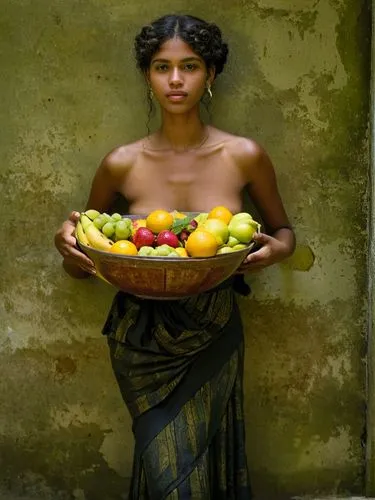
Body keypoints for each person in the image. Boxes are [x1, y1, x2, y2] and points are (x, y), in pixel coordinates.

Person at [54, 14, 295, 499]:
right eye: (163, 67)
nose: (177, 79)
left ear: (210, 74)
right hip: (140, 339)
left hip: (215, 327)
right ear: (147, 75)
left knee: (204, 463)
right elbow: (83, 264)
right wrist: (67, 248)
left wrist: (277, 251)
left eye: (190, 66)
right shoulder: (121, 163)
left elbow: (284, 232)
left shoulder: (244, 155)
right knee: (167, 468)